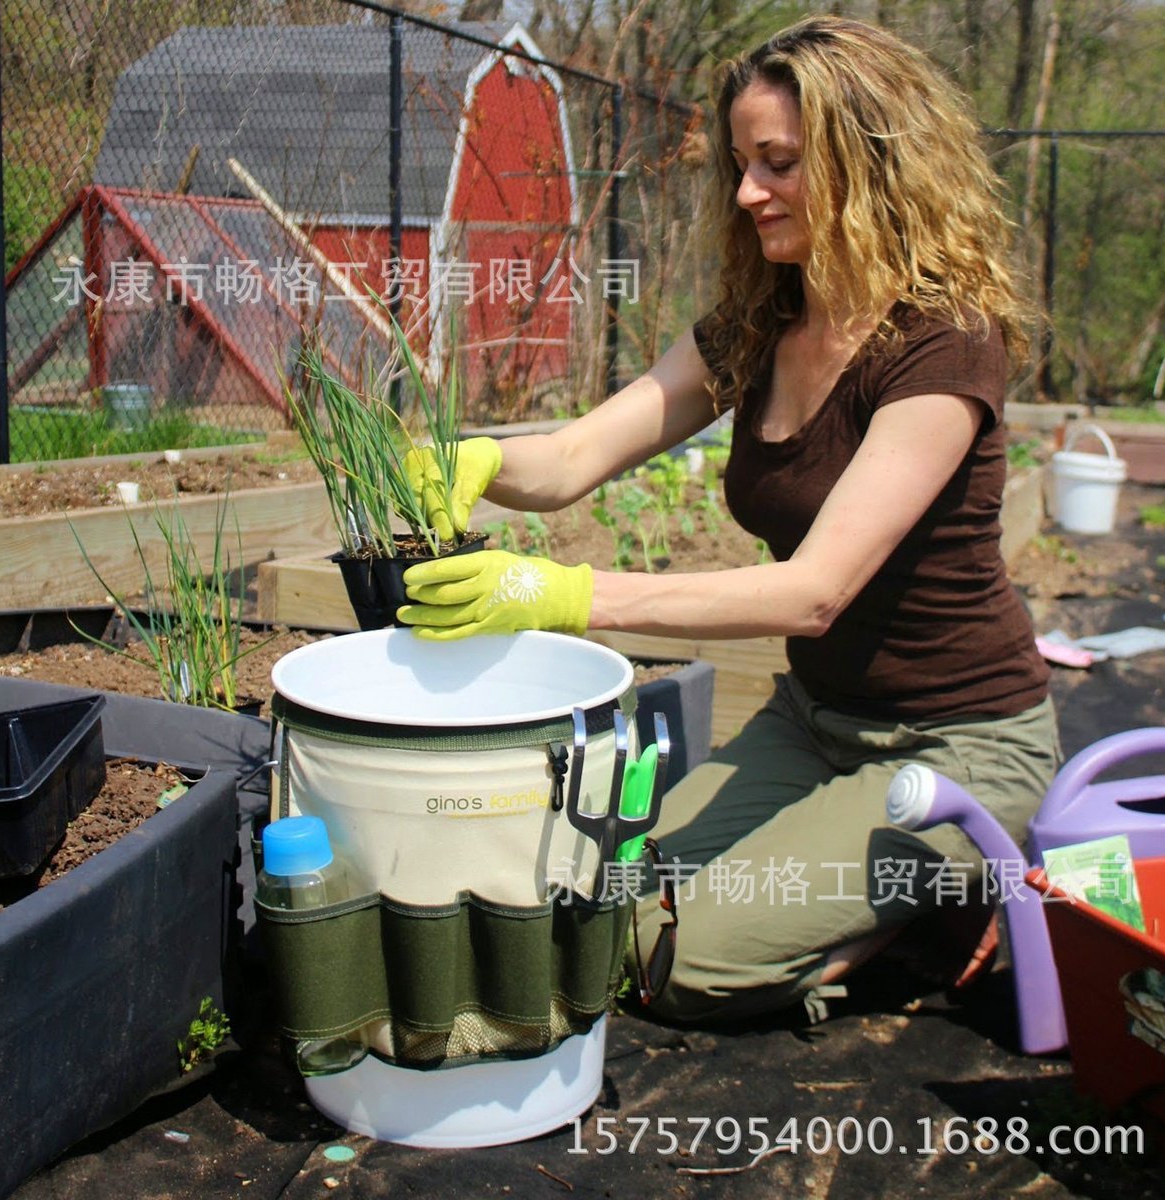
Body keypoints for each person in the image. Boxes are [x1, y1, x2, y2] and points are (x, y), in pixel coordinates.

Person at [399, 14, 1059, 1025]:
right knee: (608, 903)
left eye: (781, 163)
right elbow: (578, 453)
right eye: (744, 163)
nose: (749, 192)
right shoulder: (760, 325)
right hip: (816, 725)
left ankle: (936, 911)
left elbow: (816, 589)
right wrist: (478, 459)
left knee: (681, 956)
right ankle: (858, 895)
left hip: (958, 745)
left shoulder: (942, 343)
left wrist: (560, 594)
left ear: (870, 164)